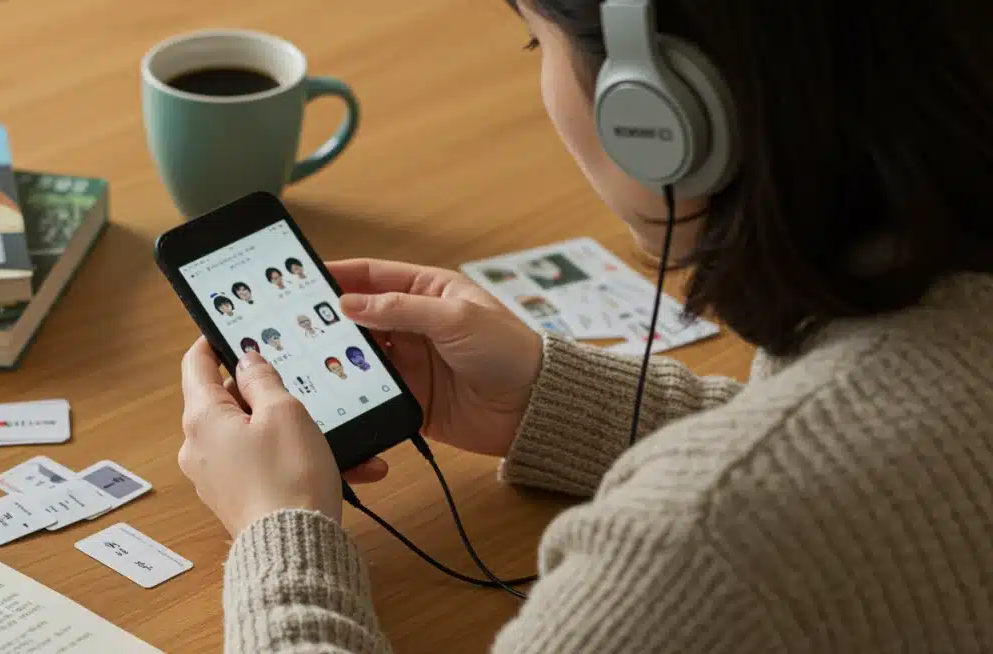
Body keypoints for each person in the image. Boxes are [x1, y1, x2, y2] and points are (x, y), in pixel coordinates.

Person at [176, 1, 993, 652]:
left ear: (660, 110)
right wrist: (561, 403)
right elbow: (889, 469)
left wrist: (280, 531)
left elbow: (772, 520)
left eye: (539, 46)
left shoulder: (697, 550)